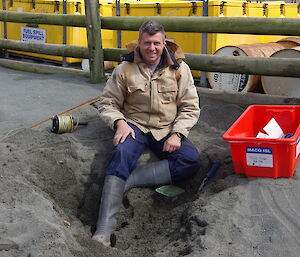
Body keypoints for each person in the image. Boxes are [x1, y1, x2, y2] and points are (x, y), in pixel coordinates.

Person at [92, 20, 201, 247]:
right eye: (147, 43)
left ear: (165, 43)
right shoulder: (125, 68)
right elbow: (107, 103)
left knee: (190, 160)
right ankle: (104, 229)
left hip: (166, 128)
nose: (152, 48)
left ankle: (131, 181)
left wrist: (178, 134)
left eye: (157, 43)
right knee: (120, 154)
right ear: (139, 43)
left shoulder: (180, 69)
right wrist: (119, 123)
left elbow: (190, 107)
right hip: (135, 125)